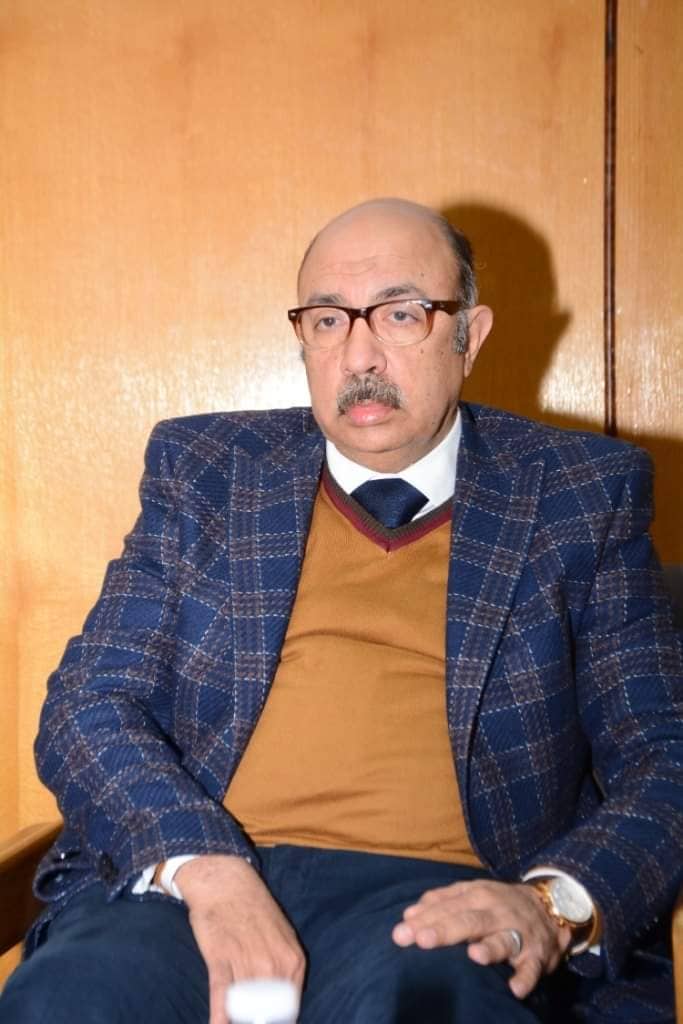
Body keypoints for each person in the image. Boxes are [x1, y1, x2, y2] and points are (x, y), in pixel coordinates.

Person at [1, 198, 682, 1024]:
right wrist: (204, 869)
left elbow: (664, 754)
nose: (359, 355)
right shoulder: (208, 471)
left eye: (400, 314)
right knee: (69, 1000)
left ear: (470, 335)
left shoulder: (579, 494)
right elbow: (88, 705)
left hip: (437, 904)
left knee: (430, 1007)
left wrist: (551, 904)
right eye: (327, 320)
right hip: (197, 884)